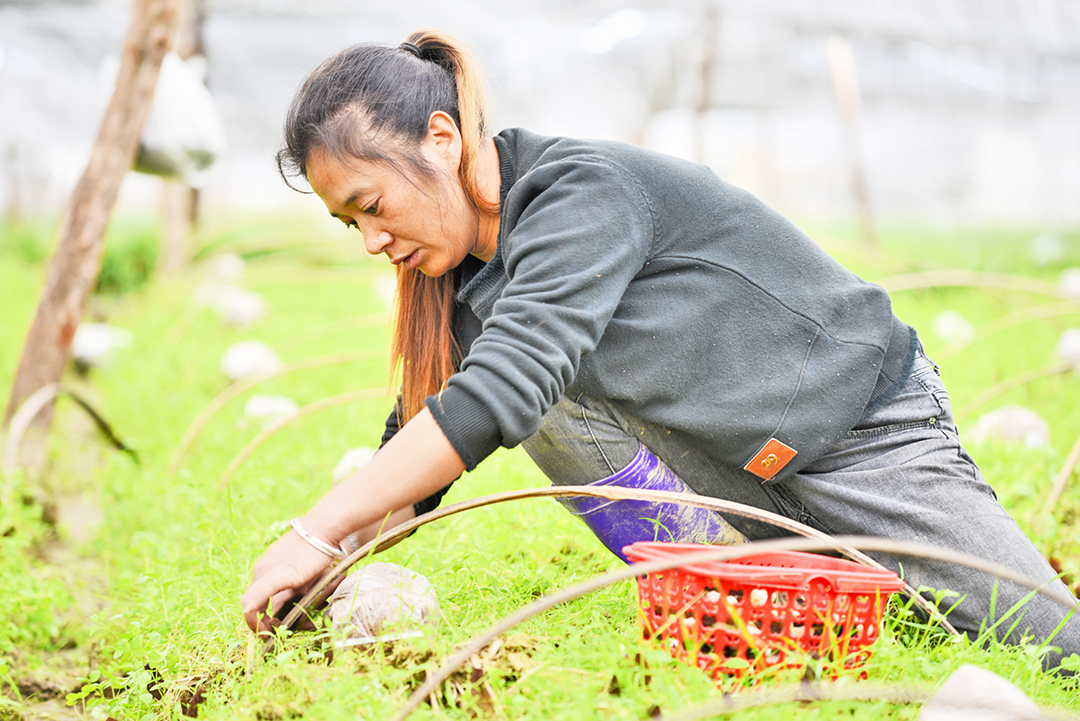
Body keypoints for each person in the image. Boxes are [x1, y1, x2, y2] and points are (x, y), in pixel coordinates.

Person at [241, 30, 1079, 666]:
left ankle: (849, 580)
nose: (371, 241)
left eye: (373, 205)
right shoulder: (466, 284)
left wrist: (314, 530)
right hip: (730, 481)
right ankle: (726, 594)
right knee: (531, 394)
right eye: (350, 223)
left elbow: (499, 389)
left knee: (1049, 646)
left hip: (859, 439)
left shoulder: (581, 192)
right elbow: (426, 454)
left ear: (444, 139)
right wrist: (330, 566)